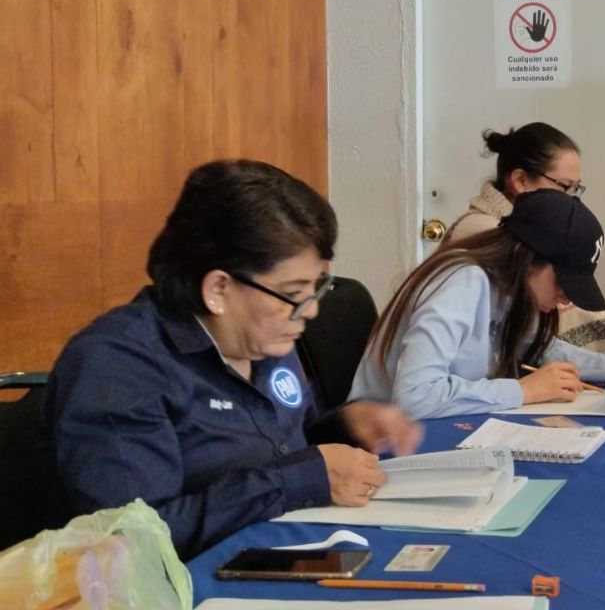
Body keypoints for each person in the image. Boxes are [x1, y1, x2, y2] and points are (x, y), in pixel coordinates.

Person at [45, 160, 424, 560]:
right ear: (219, 289)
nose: (310, 311)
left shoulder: (264, 338)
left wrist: (347, 425)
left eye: (316, 288)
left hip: (284, 551)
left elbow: (281, 443)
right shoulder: (117, 368)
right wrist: (301, 479)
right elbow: (135, 540)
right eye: (295, 293)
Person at [351, 189, 605, 420]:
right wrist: (525, 391)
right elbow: (414, 397)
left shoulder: (506, 290)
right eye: (562, 282)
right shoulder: (461, 281)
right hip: (376, 440)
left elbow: (540, 350)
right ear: (526, 259)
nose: (566, 298)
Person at [446, 122, 605, 351]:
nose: (571, 199)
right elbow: (543, 341)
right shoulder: (490, 235)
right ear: (519, 180)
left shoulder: (522, 230)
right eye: (564, 186)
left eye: (576, 188)